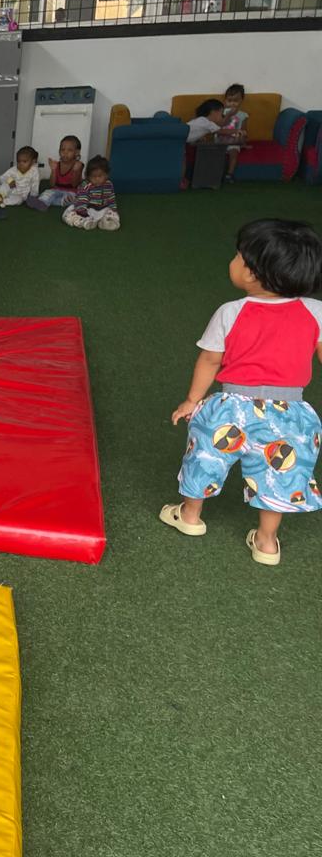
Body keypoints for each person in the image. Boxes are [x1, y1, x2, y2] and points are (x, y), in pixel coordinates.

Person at [160, 219, 322, 566]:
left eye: (238, 256)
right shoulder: (316, 311)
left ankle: (190, 516)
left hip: (230, 409)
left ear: (250, 273)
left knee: (205, 458)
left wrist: (192, 400)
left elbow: (210, 359)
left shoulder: (230, 312)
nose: (233, 261)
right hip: (290, 414)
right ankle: (266, 542)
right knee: (280, 474)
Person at [62, 155, 119, 231]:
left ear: (106, 175)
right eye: (93, 176)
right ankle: (84, 222)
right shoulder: (86, 186)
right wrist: (83, 213)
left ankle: (106, 223)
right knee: (68, 214)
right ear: (88, 176)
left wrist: (113, 209)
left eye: (100, 176)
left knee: (112, 213)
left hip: (103, 210)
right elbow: (82, 201)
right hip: (87, 210)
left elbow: (111, 198)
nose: (97, 179)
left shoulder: (109, 185)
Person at [29, 135, 83, 211]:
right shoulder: (57, 165)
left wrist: (75, 171)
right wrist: (53, 170)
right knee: (47, 192)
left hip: (71, 192)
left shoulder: (78, 165)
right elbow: (52, 184)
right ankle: (42, 203)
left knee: (73, 199)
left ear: (77, 152)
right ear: (59, 151)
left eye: (70, 150)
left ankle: (51, 201)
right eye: (62, 150)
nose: (65, 153)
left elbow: (75, 184)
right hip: (57, 190)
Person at [0, 146, 40, 218]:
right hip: (8, 190)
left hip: (20, 195)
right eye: (19, 161)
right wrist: (9, 180)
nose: (21, 164)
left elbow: (35, 184)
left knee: (19, 201)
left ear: (33, 162)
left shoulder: (34, 171)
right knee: (4, 185)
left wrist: (33, 197)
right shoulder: (13, 170)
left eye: (24, 161)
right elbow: (0, 179)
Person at [218, 83, 248, 181]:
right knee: (217, 154)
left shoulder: (243, 115)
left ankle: (229, 174)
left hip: (234, 141)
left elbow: (244, 130)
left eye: (236, 101)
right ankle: (216, 173)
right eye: (229, 100)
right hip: (220, 140)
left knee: (234, 153)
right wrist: (228, 115)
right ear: (225, 100)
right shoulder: (221, 112)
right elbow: (218, 126)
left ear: (241, 100)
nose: (232, 103)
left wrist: (243, 139)